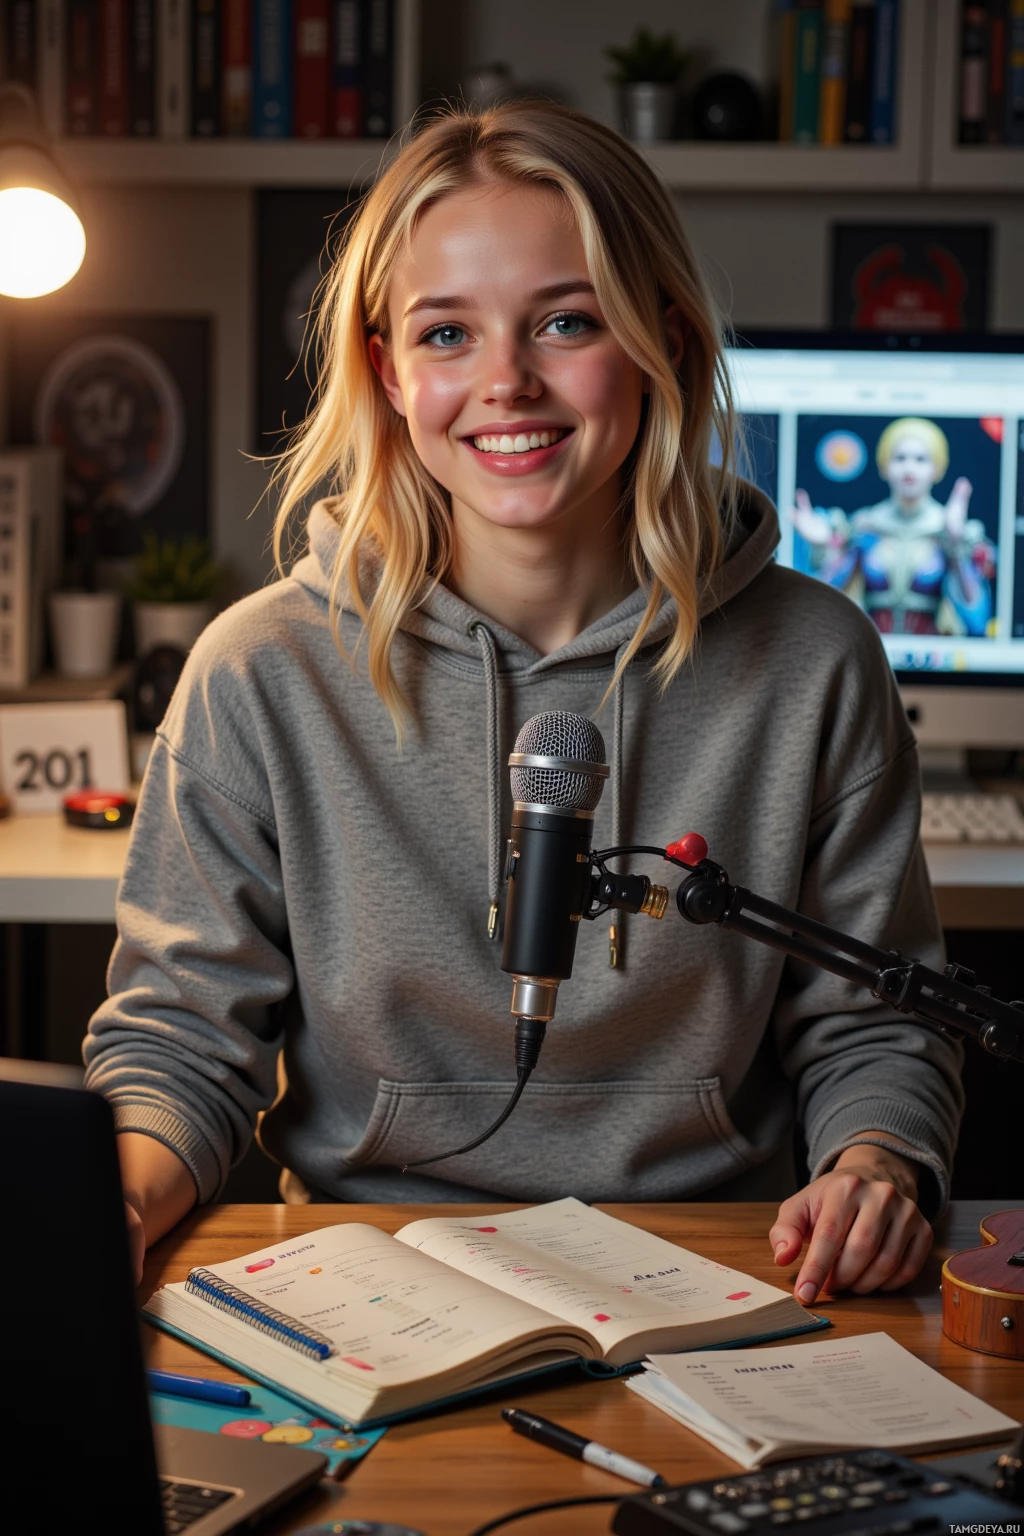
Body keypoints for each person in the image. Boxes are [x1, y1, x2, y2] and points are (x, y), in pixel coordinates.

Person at [84, 103, 962, 1308]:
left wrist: (873, 1168)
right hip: (367, 1280)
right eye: (447, 332)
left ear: (660, 340)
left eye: (564, 320)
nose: (505, 382)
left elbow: (873, 1024)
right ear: (387, 370)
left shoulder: (816, 659)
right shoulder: (258, 671)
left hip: (730, 1272)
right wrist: (115, 1204)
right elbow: (180, 1042)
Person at [792, 416, 996, 637]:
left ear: (936, 468)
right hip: (872, 653)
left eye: (920, 459)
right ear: (884, 465)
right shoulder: (864, 526)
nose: (909, 468)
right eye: (900, 458)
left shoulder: (953, 530)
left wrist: (955, 546)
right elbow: (822, 601)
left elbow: (977, 618)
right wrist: (826, 547)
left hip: (934, 660)